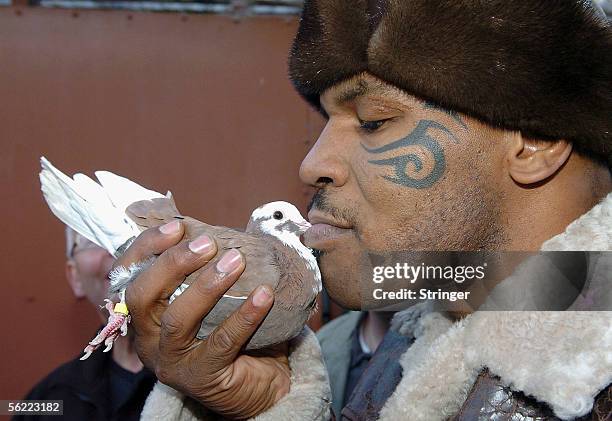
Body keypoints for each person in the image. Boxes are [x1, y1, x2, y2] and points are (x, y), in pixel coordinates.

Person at [113, 0, 611, 419]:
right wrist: (267, 407)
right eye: (327, 120)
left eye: (373, 120)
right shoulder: (410, 348)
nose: (312, 165)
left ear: (535, 142)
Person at [15, 228, 155, 421]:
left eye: (131, 232)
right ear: (75, 277)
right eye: (93, 238)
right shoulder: (44, 403)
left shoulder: (205, 383)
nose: (114, 248)